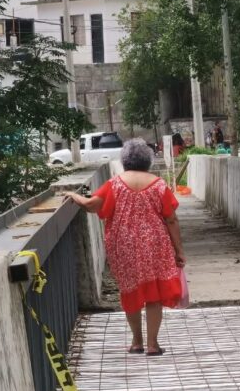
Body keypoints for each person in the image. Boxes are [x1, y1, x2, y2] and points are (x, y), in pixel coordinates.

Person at [62, 139, 186, 356]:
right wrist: (179, 250)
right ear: (148, 160)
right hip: (154, 245)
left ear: (125, 160)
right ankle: (153, 344)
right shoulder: (159, 185)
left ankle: (136, 342)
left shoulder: (115, 184)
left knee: (130, 291)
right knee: (154, 294)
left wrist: (74, 196)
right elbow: (171, 219)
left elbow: (91, 205)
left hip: (123, 245)